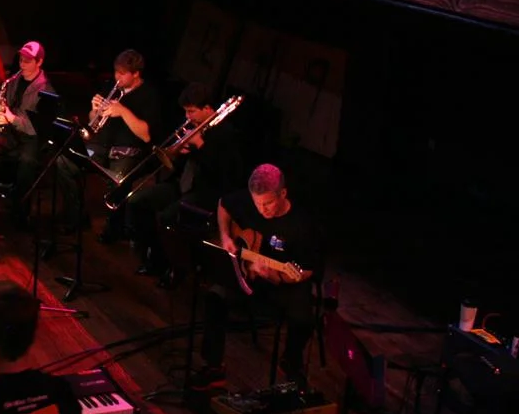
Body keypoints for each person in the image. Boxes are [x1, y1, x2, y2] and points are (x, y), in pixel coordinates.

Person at [192, 164, 323, 389]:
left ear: (282, 193)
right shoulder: (247, 199)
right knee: (215, 297)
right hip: (247, 274)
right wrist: (225, 237)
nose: (262, 209)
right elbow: (224, 204)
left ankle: (291, 361)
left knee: (303, 317)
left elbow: (309, 269)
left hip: (284, 280)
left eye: (269, 203)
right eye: (257, 203)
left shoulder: (302, 225)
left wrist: (279, 276)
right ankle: (214, 366)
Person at [127, 82, 245, 280]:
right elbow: (184, 165)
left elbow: (223, 173)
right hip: (183, 185)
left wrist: (199, 145)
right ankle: (153, 258)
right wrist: (180, 154)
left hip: (207, 192)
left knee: (167, 218)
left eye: (191, 111)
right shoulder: (195, 126)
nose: (187, 117)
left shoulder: (227, 134)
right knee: (138, 202)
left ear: (208, 108)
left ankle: (176, 269)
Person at [58, 49, 163, 237]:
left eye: (123, 74)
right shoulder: (111, 87)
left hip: (128, 151)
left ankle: (115, 228)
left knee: (118, 178)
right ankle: (76, 217)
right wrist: (94, 110)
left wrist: (123, 111)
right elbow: (93, 121)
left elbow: (146, 135)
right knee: (65, 162)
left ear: (136, 73)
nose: (117, 77)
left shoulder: (149, 95)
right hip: (100, 145)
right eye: (116, 72)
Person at [0, 42, 54, 228]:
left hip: (32, 137)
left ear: (39, 62)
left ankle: (20, 211)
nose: (22, 63)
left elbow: (36, 126)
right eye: (21, 59)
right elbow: (7, 107)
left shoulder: (46, 90)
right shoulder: (13, 81)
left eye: (28, 60)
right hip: (11, 133)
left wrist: (11, 118)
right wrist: (1, 116)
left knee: (27, 162)